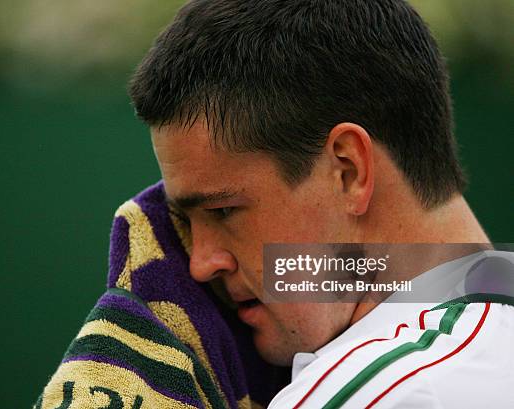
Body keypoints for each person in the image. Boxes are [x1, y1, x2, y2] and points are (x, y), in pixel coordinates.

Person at [128, 0, 514, 407]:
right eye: (186, 222)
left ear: (348, 171)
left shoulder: (389, 392)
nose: (201, 264)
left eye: (223, 211)